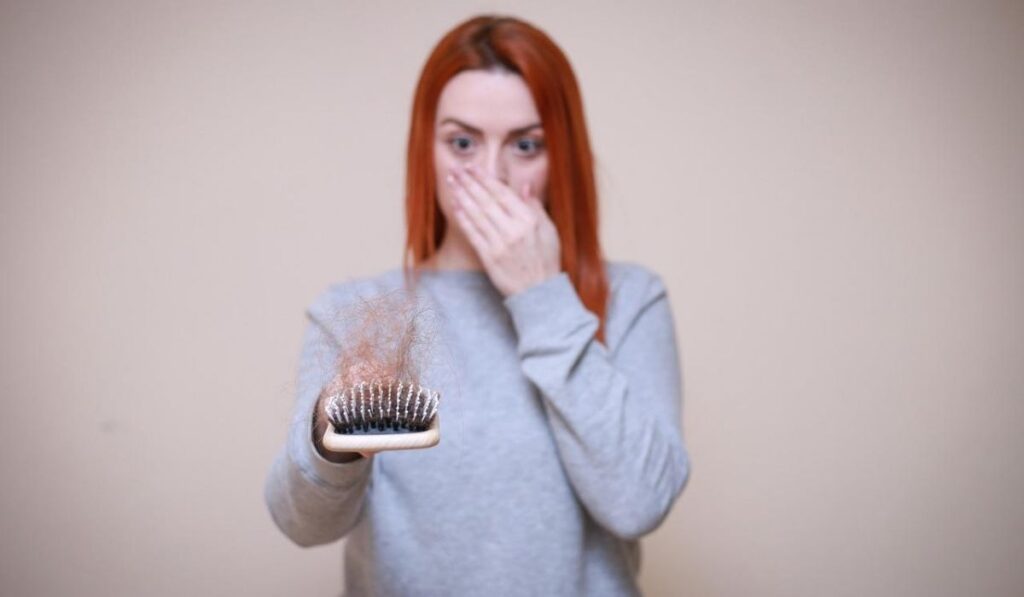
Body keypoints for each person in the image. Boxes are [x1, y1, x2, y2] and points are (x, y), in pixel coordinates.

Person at [264, 14, 691, 596]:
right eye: (462, 142)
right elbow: (301, 523)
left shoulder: (631, 300)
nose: (491, 174)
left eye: (526, 144)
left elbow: (640, 503)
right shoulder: (360, 312)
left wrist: (542, 298)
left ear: (559, 155)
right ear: (427, 149)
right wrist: (332, 435)